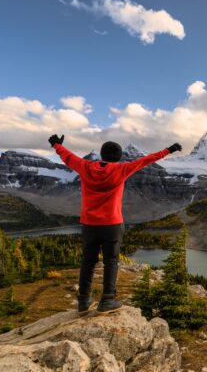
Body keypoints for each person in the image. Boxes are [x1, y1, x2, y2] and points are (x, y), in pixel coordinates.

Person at [48, 134, 182, 313]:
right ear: (119, 157)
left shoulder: (85, 166)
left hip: (89, 224)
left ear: (101, 155)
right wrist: (169, 150)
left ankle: (83, 301)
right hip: (112, 224)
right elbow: (146, 160)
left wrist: (57, 145)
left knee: (87, 262)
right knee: (111, 262)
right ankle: (107, 300)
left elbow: (68, 156)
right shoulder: (122, 169)